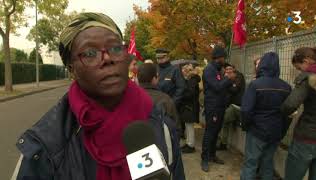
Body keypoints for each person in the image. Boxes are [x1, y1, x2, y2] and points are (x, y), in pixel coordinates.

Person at [15, 12, 185, 180]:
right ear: (71, 69)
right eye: (90, 53)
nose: (107, 58)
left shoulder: (161, 126)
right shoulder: (45, 145)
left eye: (116, 48)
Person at [240, 52, 291, 180]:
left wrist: (246, 126)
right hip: (275, 131)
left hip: (257, 131)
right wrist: (281, 132)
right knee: (267, 164)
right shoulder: (286, 87)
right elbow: (288, 112)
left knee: (250, 163)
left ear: (262, 65)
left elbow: (246, 110)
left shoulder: (255, 85)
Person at [281, 47, 316, 180]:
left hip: (307, 138)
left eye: (299, 68)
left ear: (306, 61)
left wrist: (283, 112)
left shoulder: (309, 76)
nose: (300, 71)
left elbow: (290, 104)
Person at [201, 45, 236, 172]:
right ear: (218, 57)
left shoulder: (218, 69)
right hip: (213, 107)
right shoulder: (209, 70)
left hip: (220, 106)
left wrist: (230, 80)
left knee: (216, 132)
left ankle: (212, 155)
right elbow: (217, 87)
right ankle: (204, 158)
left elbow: (226, 87)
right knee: (210, 133)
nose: (224, 60)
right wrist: (227, 78)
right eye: (223, 57)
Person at [156, 48, 186, 136]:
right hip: (156, 107)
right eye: (158, 58)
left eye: (162, 58)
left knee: (171, 135)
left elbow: (181, 88)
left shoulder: (175, 70)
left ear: (168, 57)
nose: (160, 60)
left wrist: (172, 103)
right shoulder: (155, 69)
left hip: (170, 109)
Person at [217, 63, 245, 150]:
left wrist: (227, 82)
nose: (228, 70)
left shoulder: (239, 76)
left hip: (236, 105)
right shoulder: (226, 77)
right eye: (227, 69)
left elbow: (234, 89)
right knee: (222, 120)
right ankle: (223, 143)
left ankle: (223, 143)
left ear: (234, 69)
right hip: (228, 104)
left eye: (230, 69)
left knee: (224, 119)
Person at [179, 64, 201, 153]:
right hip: (189, 106)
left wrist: (182, 95)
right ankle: (188, 143)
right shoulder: (191, 79)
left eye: (185, 69)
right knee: (188, 126)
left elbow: (190, 94)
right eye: (183, 69)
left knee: (190, 127)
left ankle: (191, 145)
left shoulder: (192, 80)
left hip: (190, 106)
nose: (183, 71)